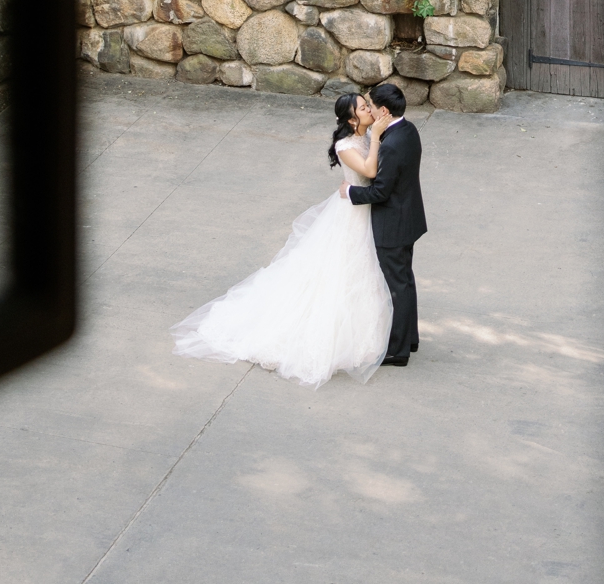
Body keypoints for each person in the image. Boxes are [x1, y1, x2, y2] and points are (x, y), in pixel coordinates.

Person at [170, 92, 393, 386]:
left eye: (367, 106)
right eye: (364, 108)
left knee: (361, 270)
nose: (369, 111)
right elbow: (370, 170)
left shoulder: (365, 135)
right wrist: (376, 137)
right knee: (340, 270)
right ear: (352, 119)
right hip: (351, 214)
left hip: (362, 206)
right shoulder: (347, 145)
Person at [342, 80, 427, 367]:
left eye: (370, 106)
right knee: (406, 280)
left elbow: (380, 192)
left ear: (384, 111)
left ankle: (398, 351)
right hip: (411, 217)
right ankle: (410, 338)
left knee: (397, 285)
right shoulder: (409, 129)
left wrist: (350, 192)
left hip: (393, 224)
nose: (368, 109)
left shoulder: (389, 145)